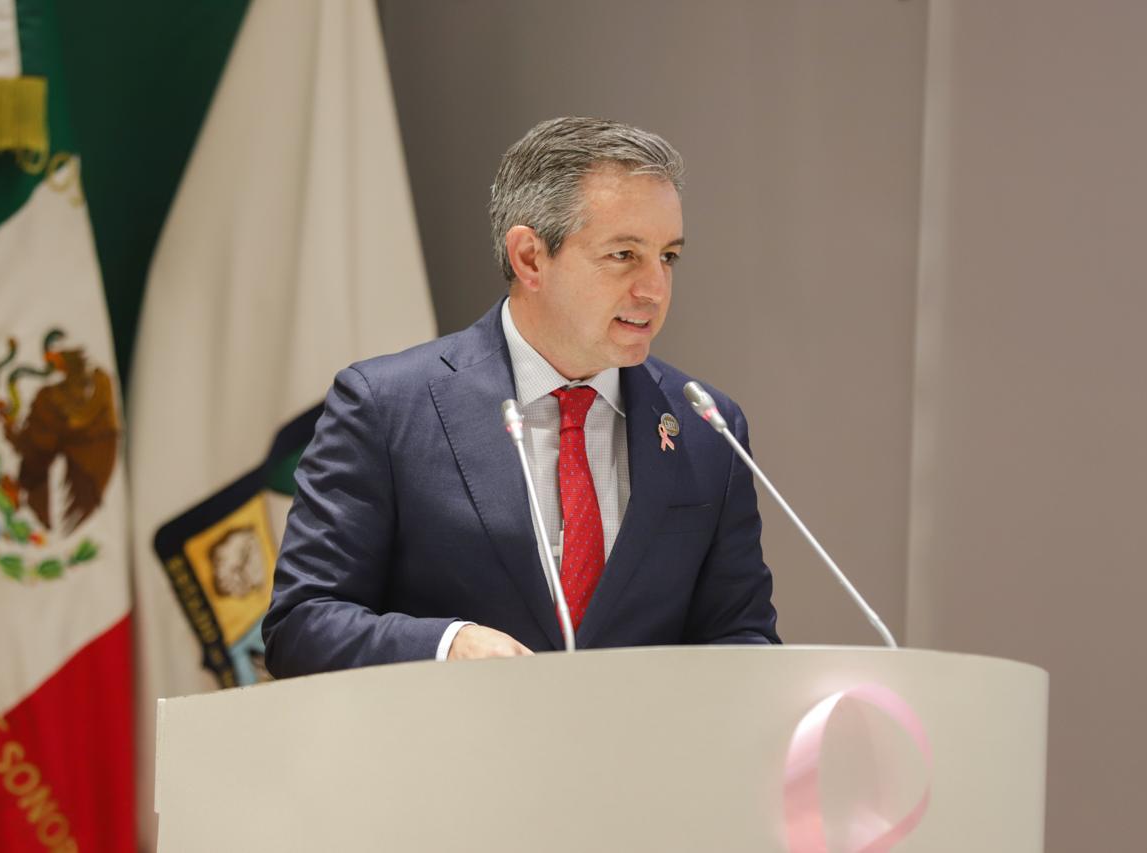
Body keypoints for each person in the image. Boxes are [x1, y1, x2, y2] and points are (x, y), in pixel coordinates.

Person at [263, 117, 779, 674]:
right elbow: (301, 625)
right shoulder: (385, 407)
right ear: (530, 257)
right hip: (453, 729)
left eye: (668, 257)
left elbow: (741, 635)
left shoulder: (705, 426)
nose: (655, 288)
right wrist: (448, 645)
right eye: (624, 255)